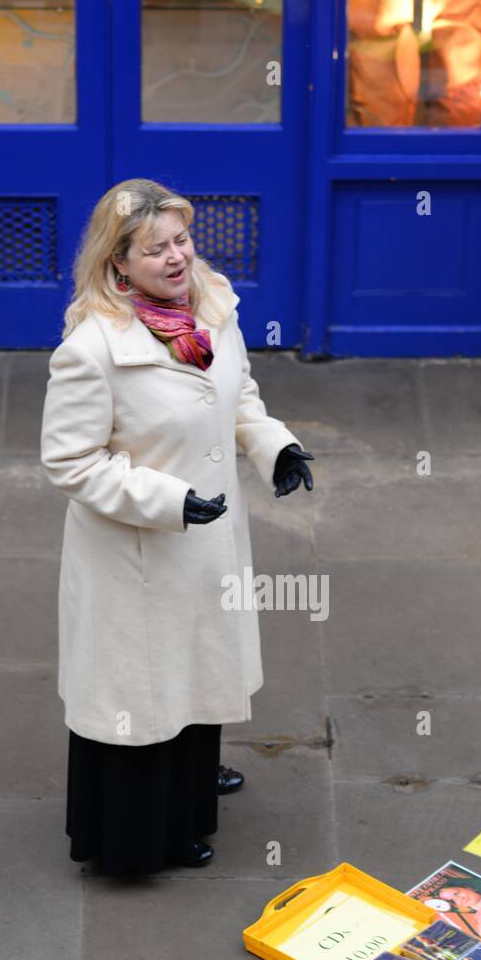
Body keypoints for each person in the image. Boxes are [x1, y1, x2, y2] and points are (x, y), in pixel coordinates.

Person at [40, 178, 313, 876]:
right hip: (137, 551)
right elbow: (70, 463)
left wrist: (272, 445)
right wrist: (164, 500)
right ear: (116, 264)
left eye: (181, 241)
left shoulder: (211, 303)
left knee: (194, 668)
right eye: (153, 249)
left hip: (207, 540)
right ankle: (146, 836)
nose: (175, 258)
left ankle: (191, 787)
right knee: (144, 691)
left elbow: (237, 393)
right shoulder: (92, 349)